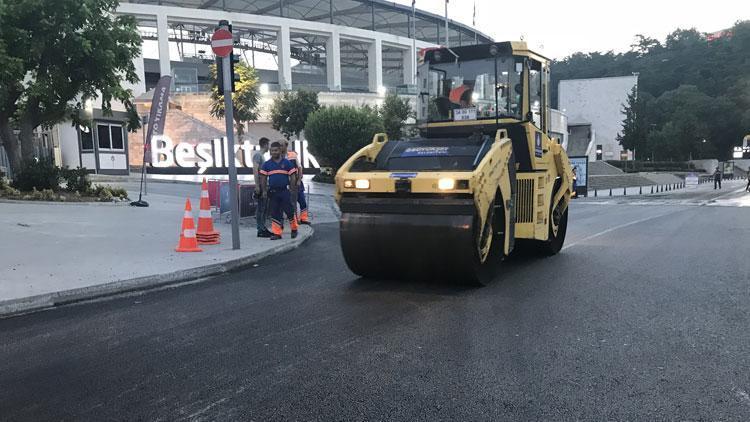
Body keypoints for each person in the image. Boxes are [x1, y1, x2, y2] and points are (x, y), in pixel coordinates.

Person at [259, 141, 299, 240]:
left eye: (276, 150)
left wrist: (292, 187)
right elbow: (263, 178)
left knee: (289, 211)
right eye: (272, 151)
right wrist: (264, 191)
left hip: (284, 191)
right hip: (273, 192)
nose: (274, 152)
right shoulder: (266, 164)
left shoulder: (287, 163)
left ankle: (294, 229)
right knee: (275, 212)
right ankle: (277, 233)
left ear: (280, 150)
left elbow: (293, 175)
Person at [282, 140, 311, 225]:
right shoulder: (279, 157)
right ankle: (294, 220)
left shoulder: (293, 155)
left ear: (286, 146)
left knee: (302, 201)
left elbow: (299, 167)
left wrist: (298, 180)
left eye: (282, 145)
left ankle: (303, 218)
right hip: (287, 183)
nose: (280, 147)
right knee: (291, 203)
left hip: (297, 182)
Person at [252, 137, 272, 237]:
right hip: (260, 185)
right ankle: (260, 229)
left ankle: (263, 227)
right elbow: (255, 170)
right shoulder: (258, 155)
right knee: (261, 208)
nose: (269, 147)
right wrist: (257, 186)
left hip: (264, 185)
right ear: (265, 145)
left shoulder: (262, 156)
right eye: (268, 144)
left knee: (264, 208)